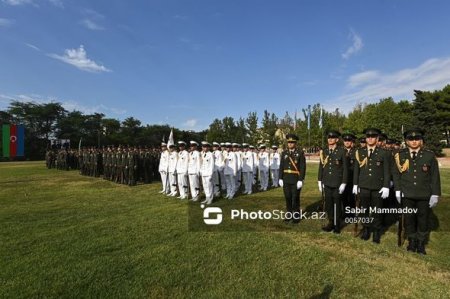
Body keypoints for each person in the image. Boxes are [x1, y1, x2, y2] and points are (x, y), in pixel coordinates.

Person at [392, 128, 441, 254]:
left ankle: (421, 242)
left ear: (421, 140)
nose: (414, 142)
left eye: (417, 139)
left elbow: (435, 176)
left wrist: (435, 194)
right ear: (406, 141)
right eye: (410, 139)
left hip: (424, 194)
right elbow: (396, 174)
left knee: (423, 219)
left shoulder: (429, 155)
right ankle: (412, 241)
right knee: (409, 218)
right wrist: (397, 190)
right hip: (407, 193)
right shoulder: (400, 155)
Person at [353, 128, 391, 243]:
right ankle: (366, 229)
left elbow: (386, 171)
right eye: (368, 137)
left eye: (373, 137)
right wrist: (355, 184)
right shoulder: (359, 152)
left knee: (377, 211)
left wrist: (386, 186)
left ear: (377, 139)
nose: (370, 139)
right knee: (364, 210)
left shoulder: (383, 153)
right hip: (363, 185)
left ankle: (376, 232)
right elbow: (356, 170)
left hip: (377, 187)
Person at [318, 130, 348, 233]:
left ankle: (337, 224)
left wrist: (344, 183)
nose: (330, 139)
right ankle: (330, 222)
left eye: (332, 138)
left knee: (337, 204)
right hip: (327, 182)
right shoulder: (325, 151)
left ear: (337, 139)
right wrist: (319, 180)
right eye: (329, 138)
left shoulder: (342, 151)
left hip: (337, 183)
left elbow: (345, 168)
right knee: (329, 204)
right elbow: (321, 167)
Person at [278, 134, 306, 224]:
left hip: (295, 179)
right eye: (289, 142)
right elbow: (281, 166)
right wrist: (280, 178)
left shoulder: (300, 153)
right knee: (288, 197)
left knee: (295, 198)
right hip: (286, 179)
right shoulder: (284, 153)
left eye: (292, 142)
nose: (290, 144)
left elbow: (302, 167)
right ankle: (289, 214)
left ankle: (296, 216)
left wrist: (301, 180)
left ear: (295, 143)